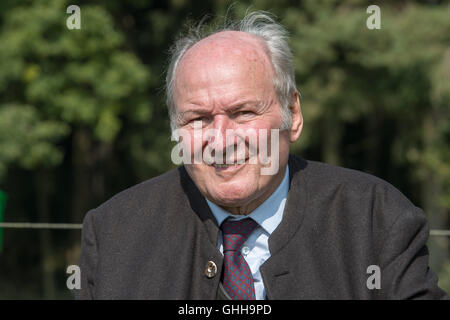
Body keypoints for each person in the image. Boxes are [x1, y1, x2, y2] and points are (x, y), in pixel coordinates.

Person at [76, 11, 449, 300]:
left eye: (242, 113)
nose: (221, 140)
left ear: (293, 115)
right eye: (198, 118)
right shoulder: (115, 234)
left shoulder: (375, 218)